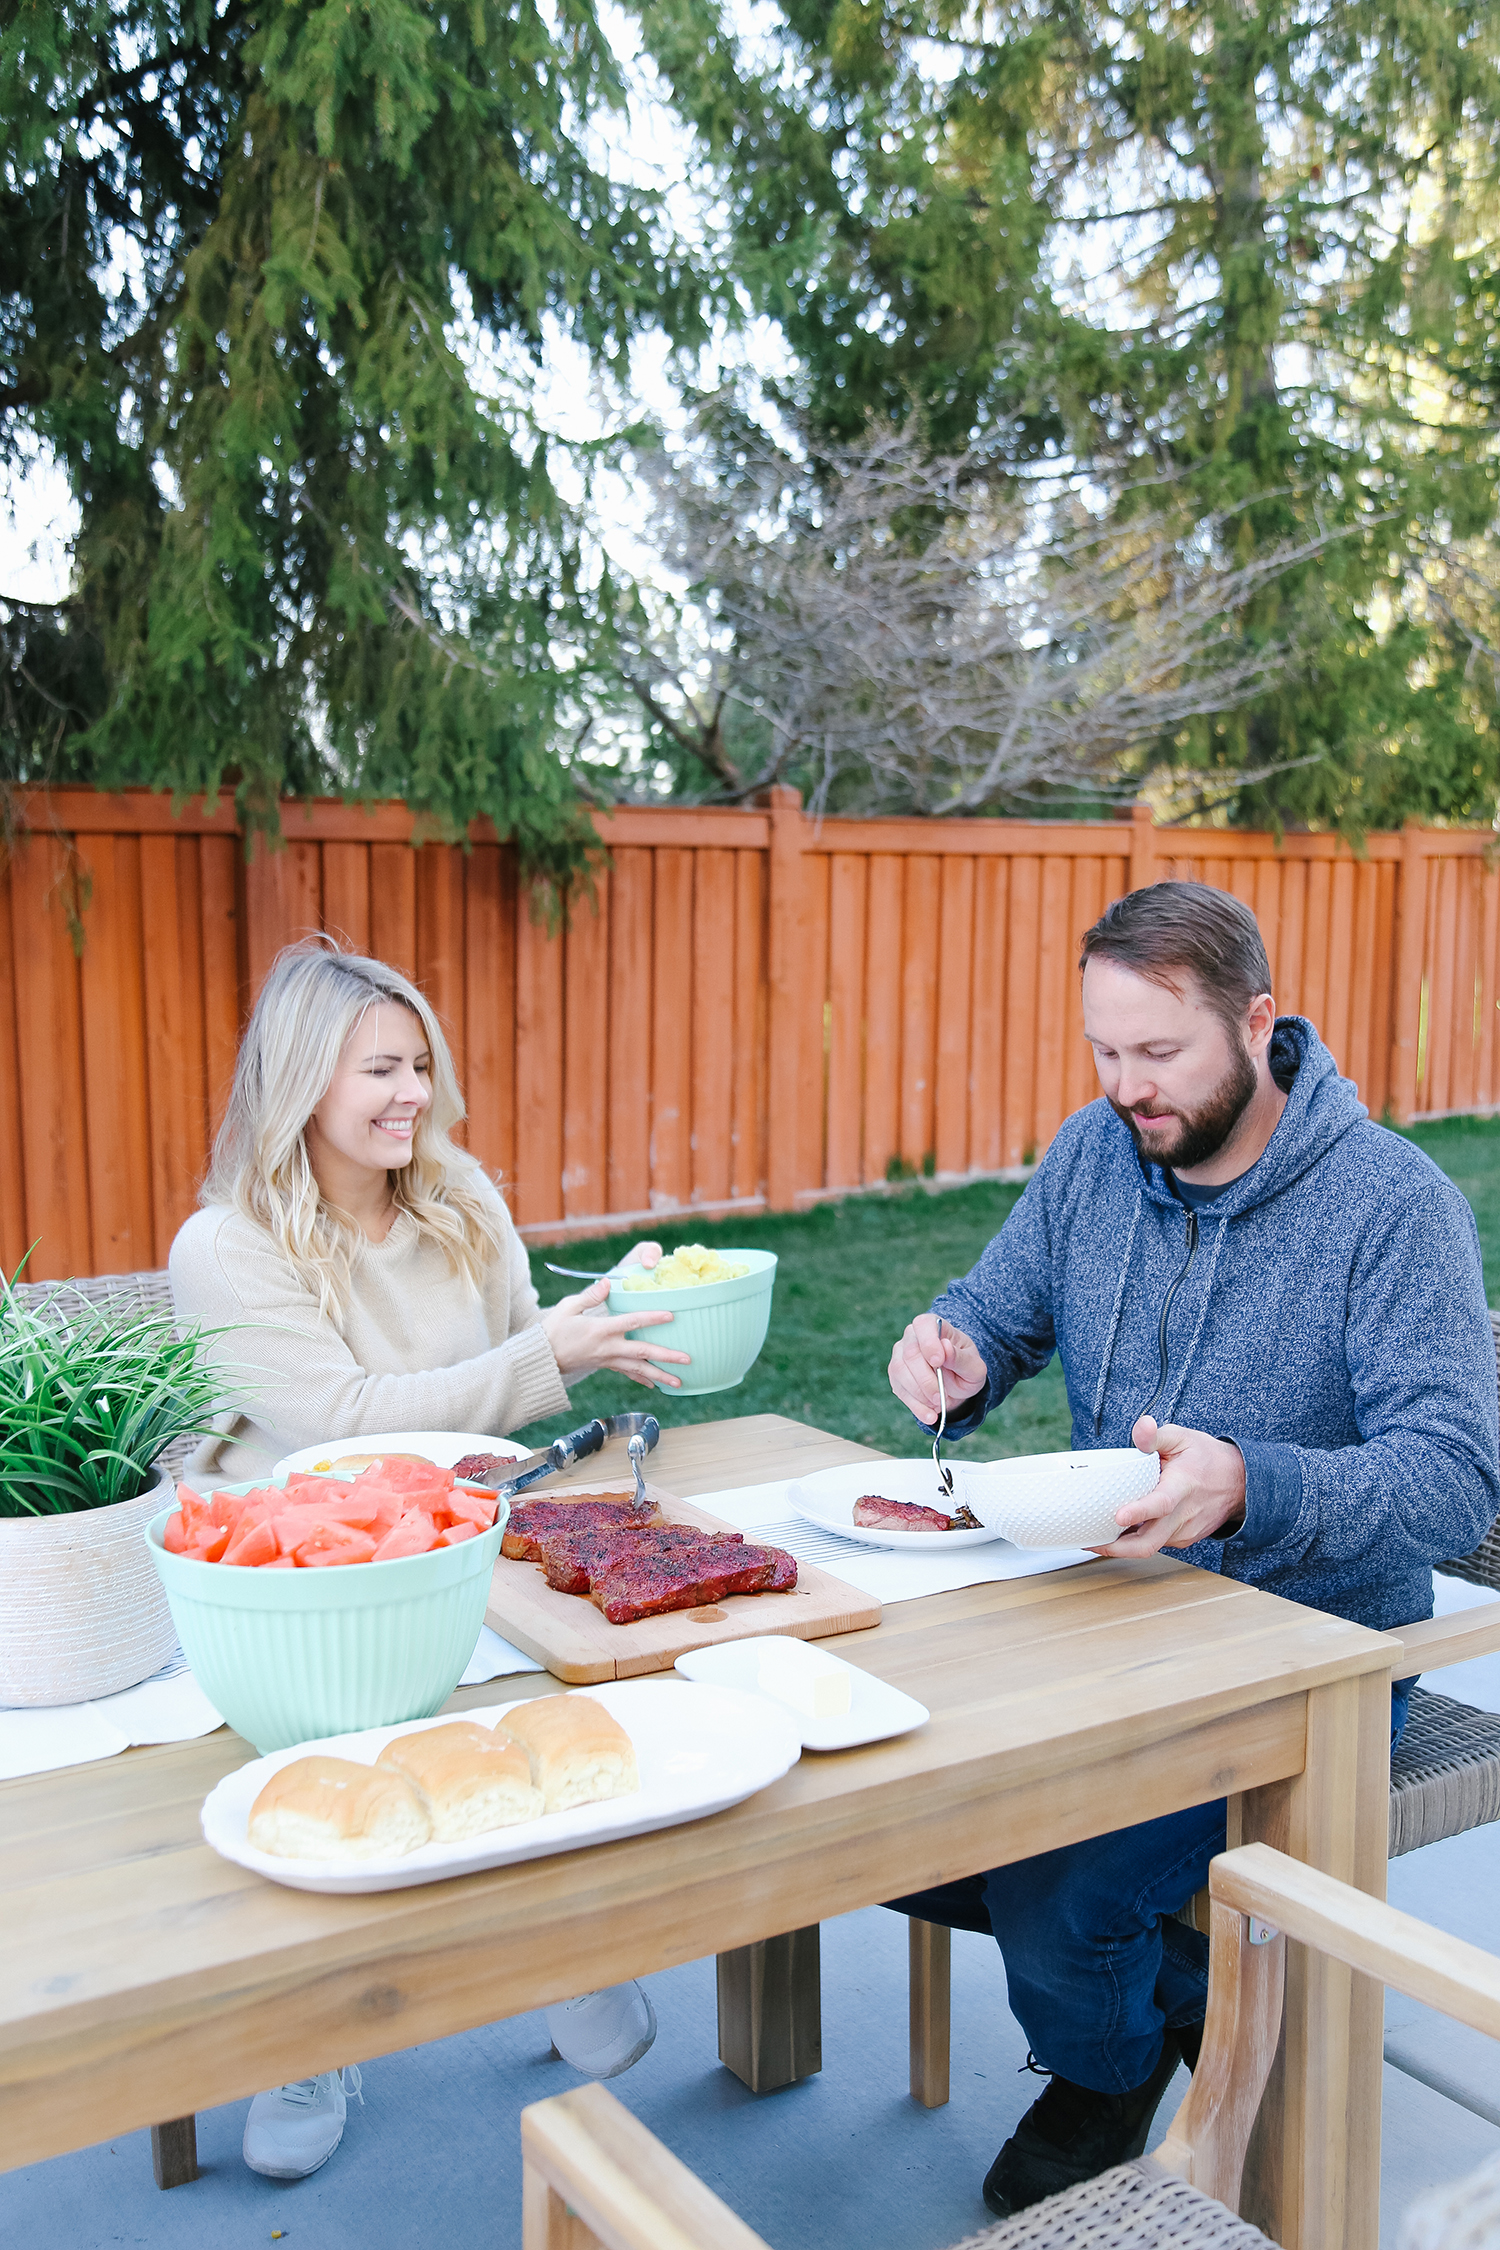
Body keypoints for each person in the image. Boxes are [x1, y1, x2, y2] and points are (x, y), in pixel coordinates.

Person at [885, 880, 1499, 2220]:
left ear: (1256, 1022)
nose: (1126, 1088)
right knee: (888, 1814)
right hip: (1110, 1616)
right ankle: (1204, 1996)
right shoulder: (1094, 1155)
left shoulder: (1392, 1207)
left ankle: (1105, 2069)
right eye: (1103, 1050)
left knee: (1057, 1887)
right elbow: (997, 1304)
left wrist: (1251, 1487)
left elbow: (1455, 1484)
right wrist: (955, 1348)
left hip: (1313, 1660)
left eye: (1158, 1054)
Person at [170, 938, 689, 2180]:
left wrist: (592, 1331)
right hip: (298, 1587)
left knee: (573, 1693)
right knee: (341, 1758)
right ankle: (307, 2033)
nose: (411, 1092)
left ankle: (564, 1950)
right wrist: (544, 1359)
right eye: (377, 1070)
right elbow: (345, 1423)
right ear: (300, 1082)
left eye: (419, 1064)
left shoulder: (460, 1201)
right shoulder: (227, 1246)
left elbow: (512, 1379)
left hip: (455, 1543)